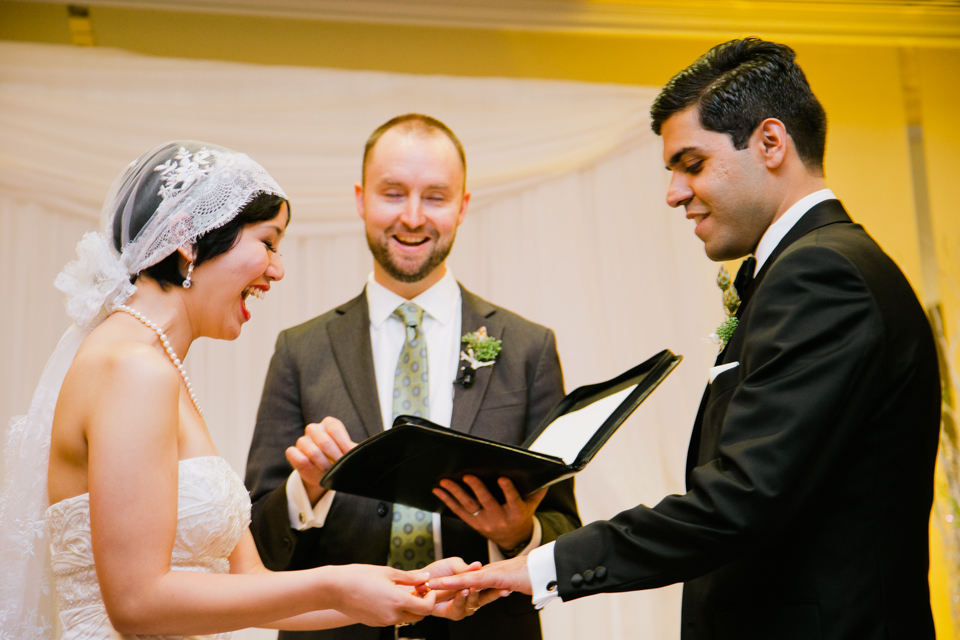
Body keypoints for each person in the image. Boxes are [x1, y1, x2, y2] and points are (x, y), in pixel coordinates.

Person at [429, 38, 942, 640]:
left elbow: (741, 498)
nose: (673, 192)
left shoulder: (822, 274)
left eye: (692, 164)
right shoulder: (814, 267)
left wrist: (539, 567)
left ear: (771, 144)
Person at [0, 140, 492, 640]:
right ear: (188, 241)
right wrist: (334, 585)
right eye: (268, 242)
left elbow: (252, 586)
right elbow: (137, 603)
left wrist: (405, 589)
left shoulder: (160, 364)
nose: (277, 269)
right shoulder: (133, 368)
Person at [244, 114, 581, 640]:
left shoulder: (527, 348)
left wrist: (519, 535)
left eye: (436, 197)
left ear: (463, 205)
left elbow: (565, 527)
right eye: (393, 193)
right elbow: (257, 541)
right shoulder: (300, 349)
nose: (413, 217)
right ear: (361, 199)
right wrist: (305, 492)